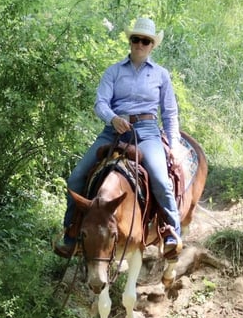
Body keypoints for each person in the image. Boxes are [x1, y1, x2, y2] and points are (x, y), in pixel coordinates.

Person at [54, 16, 183, 259]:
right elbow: (100, 102)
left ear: (152, 45)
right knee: (76, 178)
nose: (140, 44)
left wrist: (173, 145)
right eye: (136, 39)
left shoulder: (161, 75)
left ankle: (170, 233)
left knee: (160, 178)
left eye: (145, 41)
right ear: (130, 41)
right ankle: (71, 234)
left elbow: (170, 113)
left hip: (146, 131)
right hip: (113, 130)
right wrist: (113, 118)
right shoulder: (113, 71)